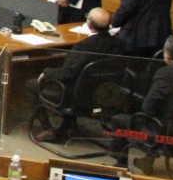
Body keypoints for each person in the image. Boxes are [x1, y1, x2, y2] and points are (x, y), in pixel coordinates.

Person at [28, 8, 129, 142]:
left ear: (89, 25)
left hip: (78, 96)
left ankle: (47, 129)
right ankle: (67, 125)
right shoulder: (121, 45)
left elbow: (67, 74)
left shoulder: (83, 47)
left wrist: (46, 71)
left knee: (31, 84)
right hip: (104, 95)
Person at [110, 35, 173, 165]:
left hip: (166, 134)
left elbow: (148, 108)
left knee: (119, 119)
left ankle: (120, 165)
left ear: (167, 56)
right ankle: (147, 162)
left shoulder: (165, 74)